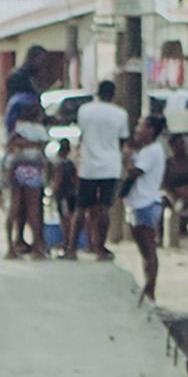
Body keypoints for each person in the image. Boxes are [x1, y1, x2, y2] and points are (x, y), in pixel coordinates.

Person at [72, 78, 129, 261]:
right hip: (110, 166)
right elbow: (122, 141)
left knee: (81, 208)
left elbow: (81, 134)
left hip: (88, 165)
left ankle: (71, 248)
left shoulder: (85, 110)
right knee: (104, 208)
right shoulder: (120, 114)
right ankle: (100, 248)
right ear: (113, 94)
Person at [123, 113, 169, 300]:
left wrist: (127, 159)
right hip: (138, 203)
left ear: (151, 130)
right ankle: (148, 286)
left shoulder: (153, 151)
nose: (137, 129)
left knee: (149, 249)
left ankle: (150, 290)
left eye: (141, 126)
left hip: (145, 203)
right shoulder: (147, 151)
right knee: (144, 250)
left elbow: (135, 172)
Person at [3, 94, 50, 261]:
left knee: (14, 207)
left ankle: (10, 247)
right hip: (33, 169)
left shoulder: (18, 128)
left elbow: (11, 144)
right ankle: (37, 247)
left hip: (17, 167)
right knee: (33, 209)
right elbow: (42, 148)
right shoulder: (40, 130)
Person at [48, 140, 80, 259]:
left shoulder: (59, 164)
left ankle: (67, 243)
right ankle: (70, 243)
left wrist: (53, 193)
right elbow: (76, 179)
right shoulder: (71, 163)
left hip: (63, 195)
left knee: (65, 220)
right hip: (72, 194)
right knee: (71, 218)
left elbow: (58, 179)